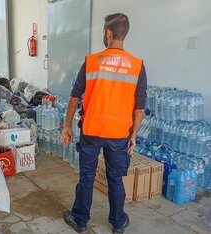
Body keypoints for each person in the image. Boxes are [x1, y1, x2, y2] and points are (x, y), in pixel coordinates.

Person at [62, 13, 147, 234]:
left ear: (108, 33)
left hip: (92, 130)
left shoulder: (91, 62)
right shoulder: (137, 66)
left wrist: (67, 126)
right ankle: (118, 224)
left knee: (87, 176)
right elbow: (139, 110)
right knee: (115, 178)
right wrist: (134, 135)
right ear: (123, 34)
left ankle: (80, 221)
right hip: (119, 134)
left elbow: (74, 98)